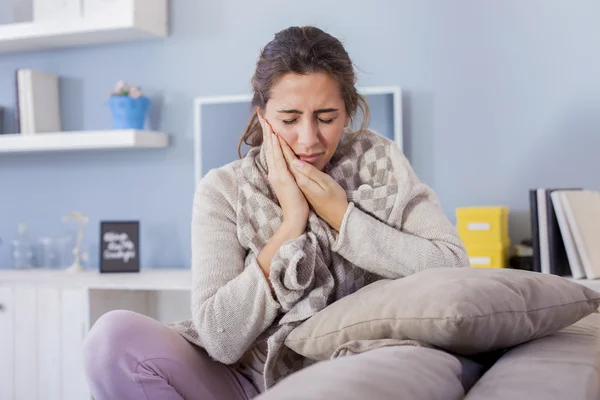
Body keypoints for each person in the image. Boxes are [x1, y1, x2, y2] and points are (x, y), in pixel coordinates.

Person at [83, 25, 469, 400]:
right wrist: (290, 225)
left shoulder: (382, 165)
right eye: (288, 120)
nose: (308, 139)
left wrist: (341, 217)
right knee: (111, 339)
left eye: (326, 117)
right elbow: (219, 338)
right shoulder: (223, 189)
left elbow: (452, 264)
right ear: (262, 115)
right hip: (241, 379)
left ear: (348, 111)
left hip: (348, 371)